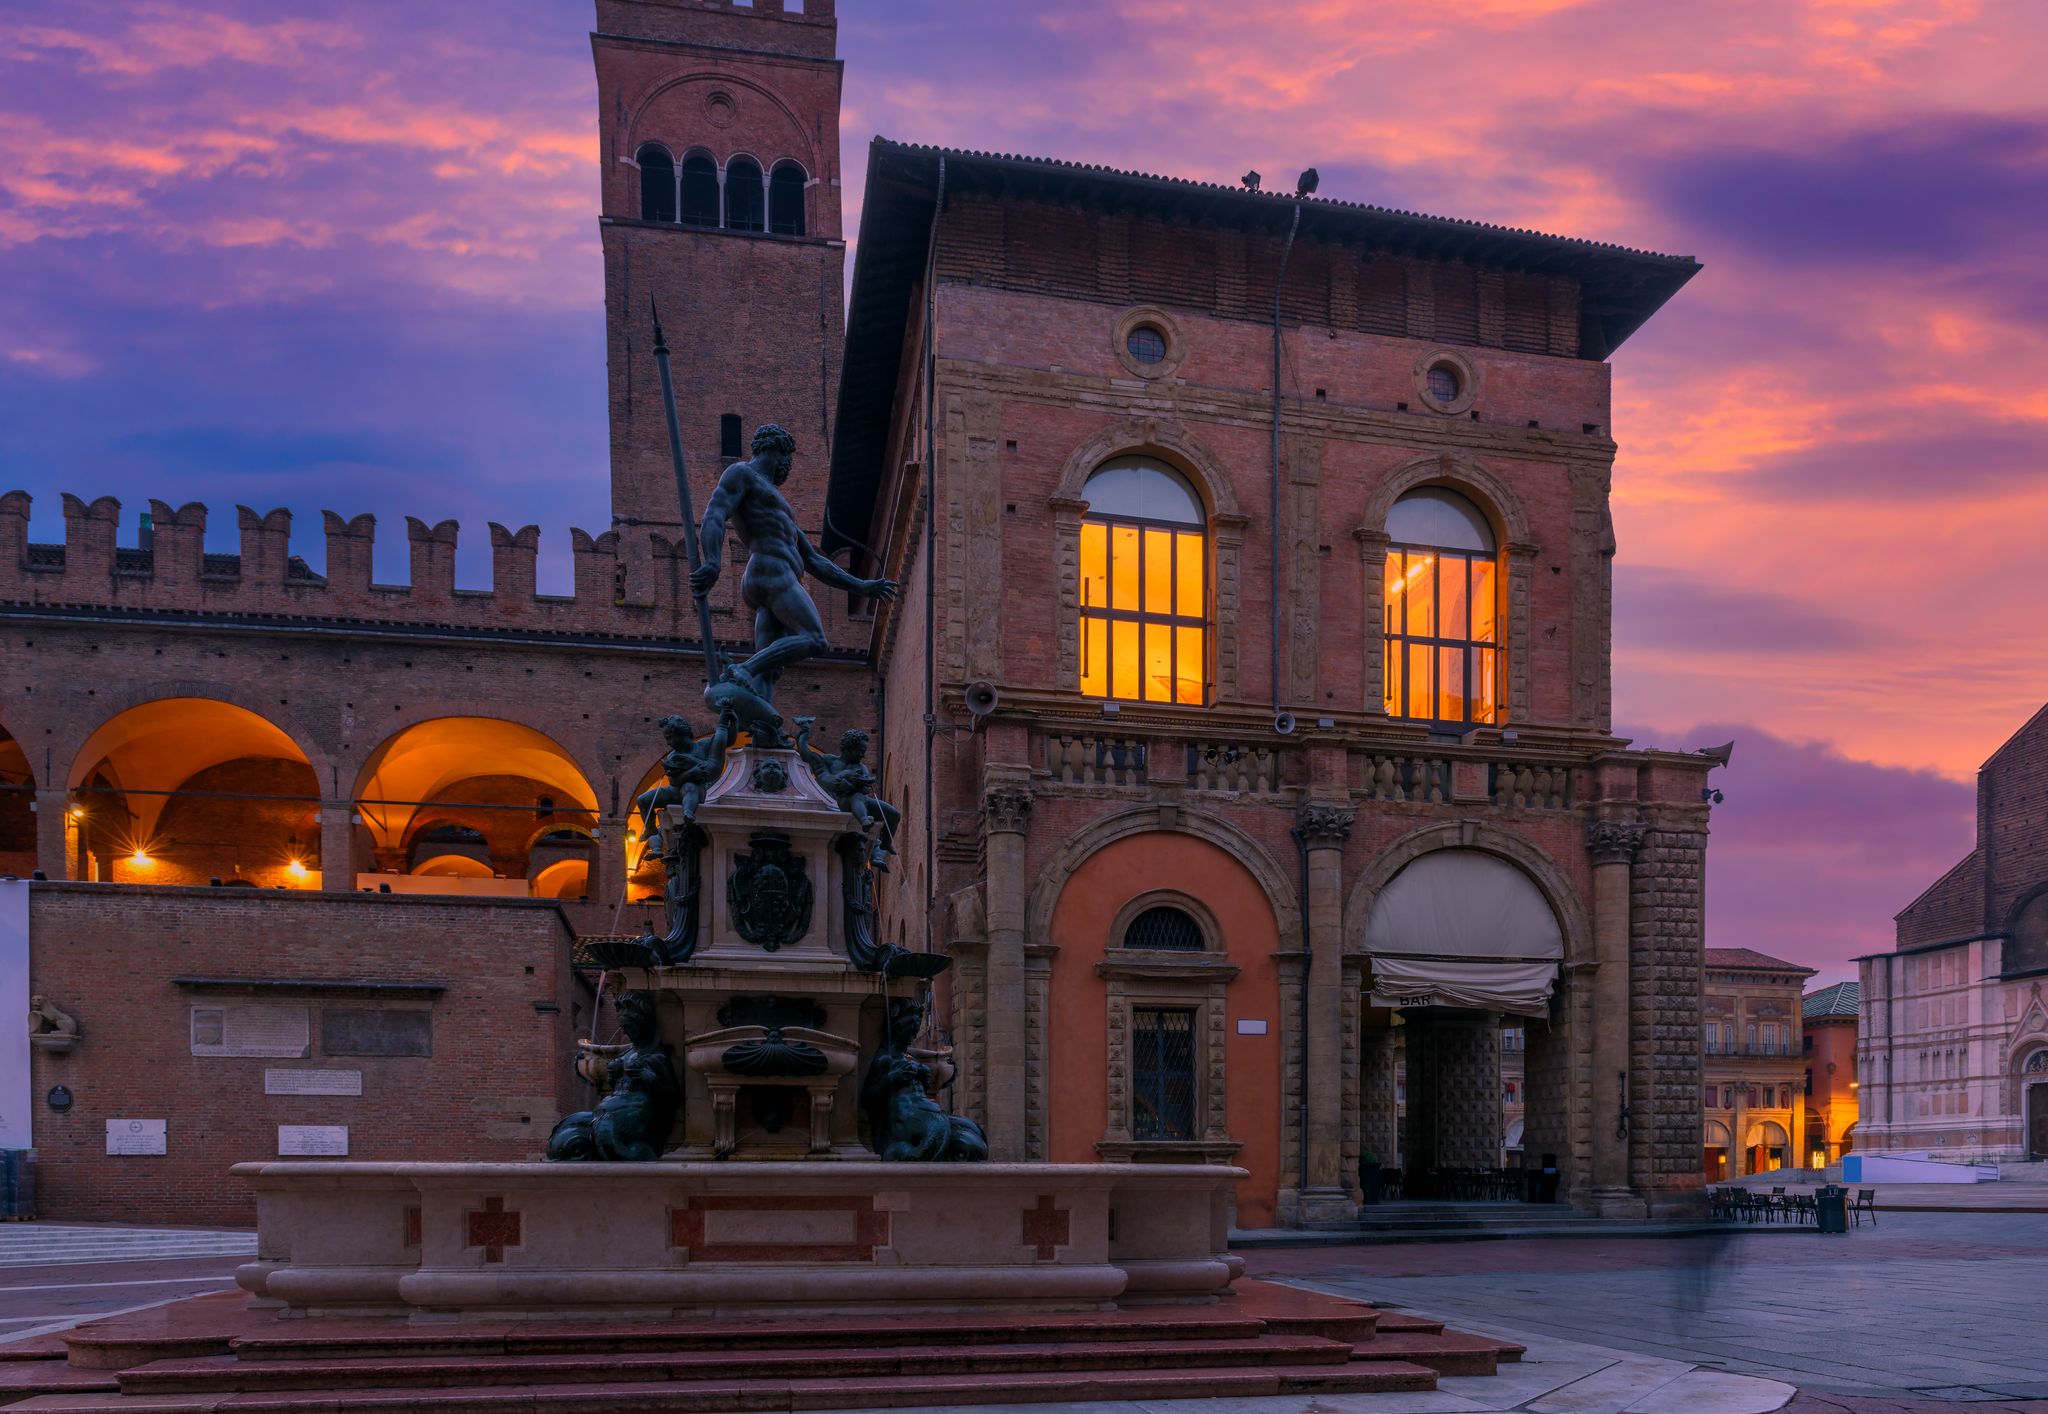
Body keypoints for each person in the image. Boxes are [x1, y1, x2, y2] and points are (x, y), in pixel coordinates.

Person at [690, 423, 896, 703]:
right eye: (789, 459)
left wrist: (862, 586)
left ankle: (763, 731)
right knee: (814, 638)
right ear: (780, 452)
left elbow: (814, 561)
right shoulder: (742, 474)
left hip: (770, 576)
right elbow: (714, 513)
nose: (788, 467)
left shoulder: (778, 503)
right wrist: (713, 562)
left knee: (770, 669)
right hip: (771, 571)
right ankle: (742, 669)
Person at [633, 712, 732, 838]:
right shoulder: (672, 756)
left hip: (696, 789)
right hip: (673, 792)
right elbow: (674, 781)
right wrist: (693, 772)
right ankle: (650, 829)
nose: (668, 743)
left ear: (681, 734)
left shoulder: (704, 746)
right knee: (643, 800)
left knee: (689, 788)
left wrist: (732, 720)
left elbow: (727, 740)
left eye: (669, 738)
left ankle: (688, 813)